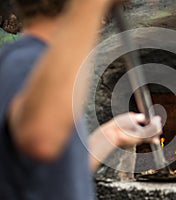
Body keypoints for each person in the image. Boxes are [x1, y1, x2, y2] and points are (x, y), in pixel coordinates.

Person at [0, 0, 162, 199]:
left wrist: (112, 134)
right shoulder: (26, 61)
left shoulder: (32, 63)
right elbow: (41, 139)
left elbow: (56, 175)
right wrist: (90, 6)